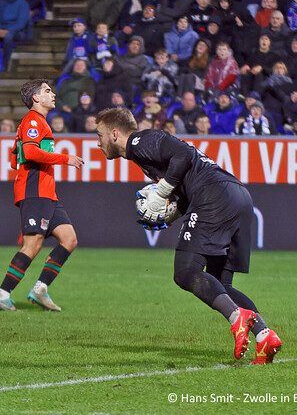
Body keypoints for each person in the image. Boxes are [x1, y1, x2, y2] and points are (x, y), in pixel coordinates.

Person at [95, 108, 282, 364]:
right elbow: (184, 177)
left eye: (100, 135)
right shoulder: (143, 153)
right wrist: (171, 214)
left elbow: (183, 154)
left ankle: (236, 317)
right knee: (222, 285)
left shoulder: (140, 141)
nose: (98, 142)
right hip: (237, 197)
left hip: (213, 197)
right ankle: (264, 335)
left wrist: (161, 192)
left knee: (185, 271)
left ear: (115, 134)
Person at [0, 79, 84, 312]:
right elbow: (30, 152)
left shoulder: (38, 122)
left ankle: (40, 289)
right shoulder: (33, 120)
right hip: (34, 191)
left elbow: (15, 158)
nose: (52, 94)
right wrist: (65, 158)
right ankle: (2, 294)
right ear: (36, 98)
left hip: (47, 193)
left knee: (69, 239)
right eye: (47, 91)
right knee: (33, 244)